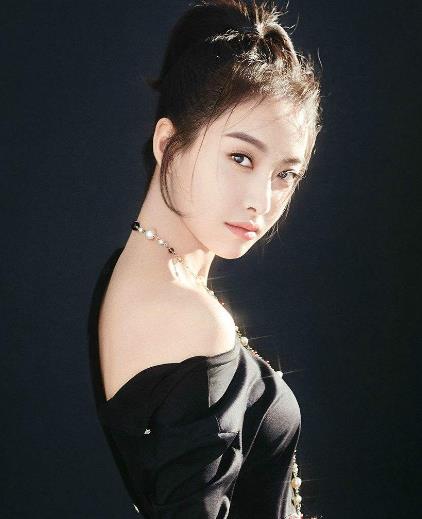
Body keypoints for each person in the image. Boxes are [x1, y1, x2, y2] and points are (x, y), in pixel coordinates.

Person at [88, 0, 322, 517]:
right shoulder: (183, 314)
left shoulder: (140, 274)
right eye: (241, 157)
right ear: (168, 142)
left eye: (285, 174)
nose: (261, 200)